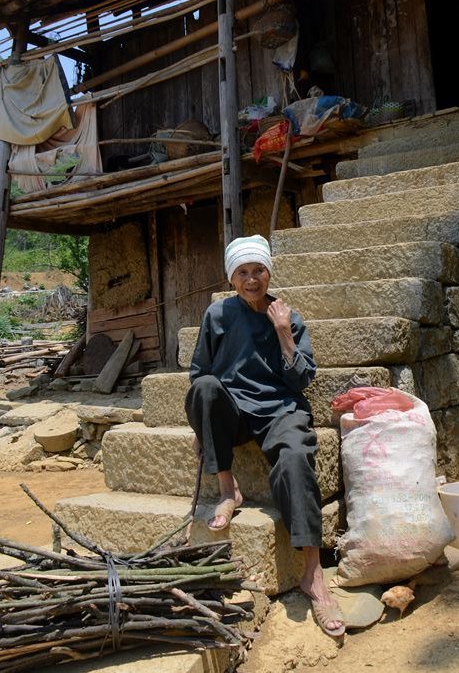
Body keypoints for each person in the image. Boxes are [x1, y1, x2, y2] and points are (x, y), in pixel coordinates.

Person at [185, 234, 345, 638]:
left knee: (294, 457)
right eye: (243, 272)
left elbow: (303, 378)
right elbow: (198, 372)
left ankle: (312, 574)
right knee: (204, 389)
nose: (252, 279)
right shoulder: (218, 315)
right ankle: (227, 489)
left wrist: (283, 332)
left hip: (281, 409)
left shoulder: (287, 314)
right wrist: (205, 424)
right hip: (235, 412)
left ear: (269, 272)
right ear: (232, 278)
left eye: (258, 271)